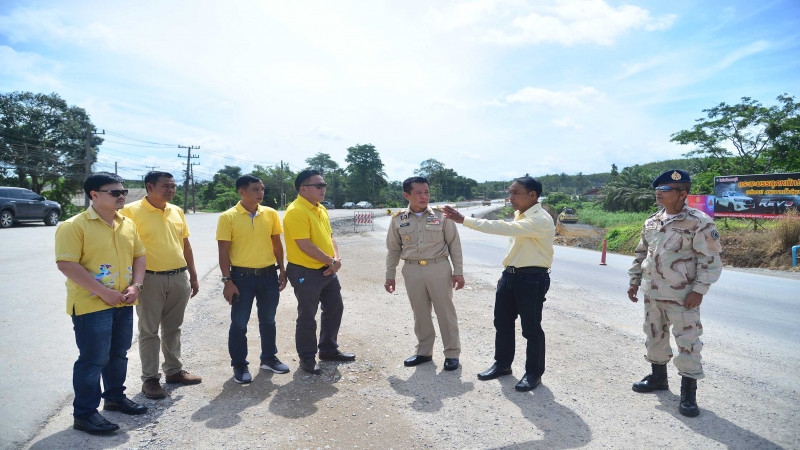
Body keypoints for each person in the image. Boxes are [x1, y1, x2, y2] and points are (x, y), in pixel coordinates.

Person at [55, 172, 148, 434]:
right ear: (94, 195)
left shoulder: (127, 223)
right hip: (91, 305)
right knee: (93, 359)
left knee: (118, 353)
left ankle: (115, 398)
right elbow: (66, 264)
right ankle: (84, 413)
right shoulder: (74, 225)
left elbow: (139, 256)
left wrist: (136, 285)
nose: (121, 196)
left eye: (123, 192)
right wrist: (103, 292)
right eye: (114, 192)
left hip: (123, 300)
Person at [443, 176, 554, 392]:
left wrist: (463, 219)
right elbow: (517, 247)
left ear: (533, 195)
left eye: (515, 193)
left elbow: (502, 228)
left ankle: (533, 374)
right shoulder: (520, 214)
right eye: (509, 192)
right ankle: (503, 364)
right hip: (511, 276)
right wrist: (507, 271)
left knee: (531, 329)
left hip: (532, 278)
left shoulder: (540, 219)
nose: (510, 197)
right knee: (502, 322)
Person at [627, 169, 722, 417]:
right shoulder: (652, 221)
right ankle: (658, 378)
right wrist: (634, 280)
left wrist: (699, 290)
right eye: (658, 189)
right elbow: (642, 253)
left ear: (682, 193)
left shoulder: (699, 222)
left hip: (683, 296)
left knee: (688, 343)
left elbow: (710, 260)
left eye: (666, 189)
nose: (659, 192)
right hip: (653, 293)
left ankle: (688, 394)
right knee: (654, 335)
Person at [120, 171, 201, 399]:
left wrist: (193, 276)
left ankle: (174, 371)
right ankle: (150, 379)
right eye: (166, 186)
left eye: (173, 186)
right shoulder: (130, 211)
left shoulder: (176, 211)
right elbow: (126, 248)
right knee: (149, 331)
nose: (171, 190)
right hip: (149, 279)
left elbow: (185, 245)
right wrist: (133, 282)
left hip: (178, 277)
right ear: (149, 186)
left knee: (173, 328)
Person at [385, 176, 464, 371]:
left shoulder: (441, 215)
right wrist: (390, 275)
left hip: (438, 267)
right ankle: (424, 352)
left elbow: (454, 244)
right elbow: (393, 249)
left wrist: (458, 271)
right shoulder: (398, 219)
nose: (424, 196)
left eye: (426, 192)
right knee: (420, 312)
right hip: (411, 269)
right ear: (407, 195)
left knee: (445, 311)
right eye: (418, 193)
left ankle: (452, 353)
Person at [216, 175, 289, 384]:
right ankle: (239, 364)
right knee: (239, 322)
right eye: (255, 189)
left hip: (268, 275)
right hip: (241, 277)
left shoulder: (271, 214)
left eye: (262, 189)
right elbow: (223, 252)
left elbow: (277, 244)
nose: (261, 193)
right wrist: (227, 280)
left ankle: (268, 358)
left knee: (268, 319)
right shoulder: (228, 217)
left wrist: (282, 270)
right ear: (242, 191)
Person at [283, 169, 355, 374]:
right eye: (319, 185)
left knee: (335, 308)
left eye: (324, 185)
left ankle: (328, 349)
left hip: (327, 269)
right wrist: (330, 261)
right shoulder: (297, 211)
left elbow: (330, 236)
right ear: (303, 189)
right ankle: (307, 359)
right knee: (307, 315)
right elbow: (304, 245)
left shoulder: (320, 208)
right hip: (305, 271)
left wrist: (335, 260)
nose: (323, 189)